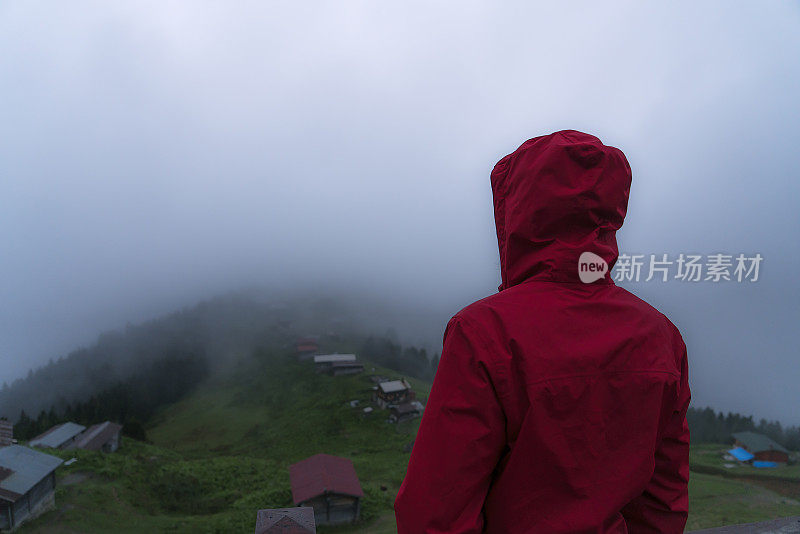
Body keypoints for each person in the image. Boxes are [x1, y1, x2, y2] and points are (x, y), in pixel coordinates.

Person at [394, 130, 690, 533]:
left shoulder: (482, 332)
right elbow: (663, 500)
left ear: (516, 211)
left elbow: (435, 513)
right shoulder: (663, 336)